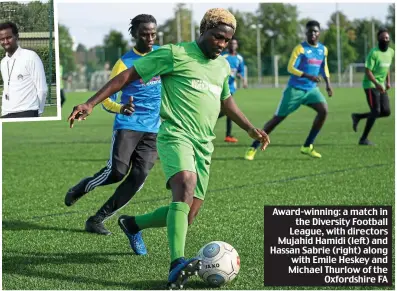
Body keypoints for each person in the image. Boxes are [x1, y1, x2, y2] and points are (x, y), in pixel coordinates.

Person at [67, 8, 270, 289]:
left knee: (189, 213)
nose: (221, 44)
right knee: (185, 184)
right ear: (203, 31)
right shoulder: (175, 54)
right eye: (217, 38)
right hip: (175, 135)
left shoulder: (222, 66)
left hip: (204, 144)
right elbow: (127, 76)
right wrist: (90, 102)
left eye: (226, 40)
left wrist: (249, 128)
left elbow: (226, 101)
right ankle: (177, 264)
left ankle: (133, 224)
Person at [65, 14, 161, 237]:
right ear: (134, 35)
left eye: (153, 34)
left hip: (154, 128)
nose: (149, 38)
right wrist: (121, 108)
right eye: (144, 34)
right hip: (128, 124)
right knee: (116, 172)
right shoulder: (124, 64)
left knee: (139, 176)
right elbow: (108, 99)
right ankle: (81, 187)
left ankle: (97, 219)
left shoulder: (162, 56)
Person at [245, 20, 333, 160]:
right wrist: (308, 75)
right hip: (295, 90)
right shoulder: (300, 49)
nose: (313, 34)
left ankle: (307, 146)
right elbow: (290, 68)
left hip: (311, 90)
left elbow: (324, 67)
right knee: (277, 119)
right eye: (310, 31)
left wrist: (328, 84)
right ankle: (253, 146)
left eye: (315, 31)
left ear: (319, 33)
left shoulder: (323, 49)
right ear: (306, 33)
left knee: (324, 111)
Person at [351, 28, 394, 145]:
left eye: (387, 38)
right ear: (378, 39)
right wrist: (376, 84)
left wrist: (388, 82)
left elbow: (387, 68)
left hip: (381, 85)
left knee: (386, 111)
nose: (386, 40)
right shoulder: (374, 53)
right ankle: (363, 139)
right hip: (370, 84)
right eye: (384, 38)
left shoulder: (391, 52)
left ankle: (358, 117)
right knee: (375, 111)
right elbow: (368, 71)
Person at [0, 21, 48, 118]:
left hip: (27, 112)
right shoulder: (3, 62)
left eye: (9, 37)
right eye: (2, 39)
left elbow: (42, 89)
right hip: (6, 113)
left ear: (16, 37)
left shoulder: (30, 56)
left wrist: (39, 111)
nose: (5, 42)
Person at [218, 37, 247, 143]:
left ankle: (228, 135)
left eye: (235, 43)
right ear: (228, 45)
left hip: (231, 88)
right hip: (220, 86)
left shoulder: (239, 58)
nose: (233, 45)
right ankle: (206, 121)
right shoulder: (223, 56)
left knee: (228, 111)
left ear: (237, 45)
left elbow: (241, 71)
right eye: (231, 43)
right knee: (226, 111)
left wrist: (243, 80)